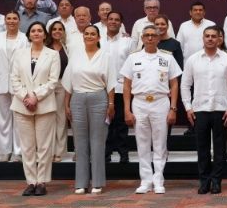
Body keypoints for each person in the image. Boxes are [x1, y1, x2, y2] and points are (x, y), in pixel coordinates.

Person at [121, 25, 182, 194]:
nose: (149, 38)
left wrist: (173, 108)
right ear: (141, 38)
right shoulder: (133, 58)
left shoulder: (167, 58)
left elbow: (174, 84)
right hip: (139, 102)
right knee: (142, 143)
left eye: (153, 35)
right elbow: (126, 85)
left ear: (158, 38)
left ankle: (159, 179)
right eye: (146, 35)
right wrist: (127, 109)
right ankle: (145, 180)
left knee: (160, 142)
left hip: (161, 101)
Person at [181, 26, 227, 195]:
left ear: (219, 39)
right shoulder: (193, 59)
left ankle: (216, 181)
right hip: (199, 108)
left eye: (214, 36)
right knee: (202, 147)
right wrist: (188, 107)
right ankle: (204, 181)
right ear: (203, 38)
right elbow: (185, 85)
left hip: (221, 108)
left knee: (220, 148)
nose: (210, 39)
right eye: (207, 36)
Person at [62, 25, 115, 194]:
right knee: (80, 142)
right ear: (83, 37)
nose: (90, 36)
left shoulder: (105, 56)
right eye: (87, 34)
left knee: (98, 141)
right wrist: (66, 104)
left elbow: (111, 83)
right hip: (77, 99)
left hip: (99, 98)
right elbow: (68, 83)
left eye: (93, 34)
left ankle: (98, 182)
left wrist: (111, 104)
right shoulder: (75, 56)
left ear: (99, 38)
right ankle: (81, 182)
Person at [11, 22, 60, 196]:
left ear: (45, 35)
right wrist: (26, 97)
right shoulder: (19, 54)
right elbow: (14, 79)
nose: (37, 33)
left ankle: (42, 182)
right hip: (22, 105)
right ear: (29, 35)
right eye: (33, 31)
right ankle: (31, 181)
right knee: (27, 147)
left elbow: (53, 81)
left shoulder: (53, 55)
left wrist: (35, 96)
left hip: (44, 105)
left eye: (40, 30)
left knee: (44, 147)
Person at [0, 11, 27, 162]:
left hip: (20, 84)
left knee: (19, 118)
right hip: (0, 82)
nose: (11, 21)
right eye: (8, 19)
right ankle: (4, 150)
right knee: (2, 119)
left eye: (14, 19)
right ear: (4, 21)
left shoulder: (24, 38)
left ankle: (18, 151)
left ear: (19, 21)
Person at [102, 11, 132, 163]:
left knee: (120, 124)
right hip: (101, 88)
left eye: (117, 20)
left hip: (121, 87)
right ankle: (106, 154)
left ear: (121, 23)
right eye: (111, 19)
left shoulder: (128, 41)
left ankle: (123, 154)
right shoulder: (98, 40)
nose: (113, 22)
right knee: (104, 123)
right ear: (106, 21)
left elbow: (131, 65)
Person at [47, 21, 70, 162]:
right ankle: (48, 150)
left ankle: (59, 152)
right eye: (54, 29)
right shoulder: (45, 47)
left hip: (62, 85)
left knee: (61, 118)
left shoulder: (67, 48)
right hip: (47, 85)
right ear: (50, 32)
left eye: (60, 29)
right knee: (48, 119)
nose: (57, 31)